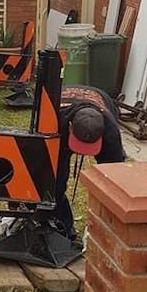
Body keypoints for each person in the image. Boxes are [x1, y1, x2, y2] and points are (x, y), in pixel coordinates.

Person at [55, 85, 126, 240]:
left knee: (112, 181)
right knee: (54, 181)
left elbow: (116, 176)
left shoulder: (110, 130)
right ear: (71, 127)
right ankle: (60, 225)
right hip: (62, 118)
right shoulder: (55, 119)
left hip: (102, 96)